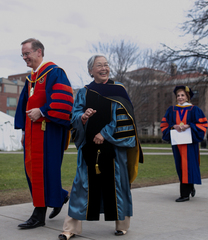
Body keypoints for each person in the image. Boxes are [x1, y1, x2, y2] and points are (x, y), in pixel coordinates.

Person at [59, 55, 143, 240]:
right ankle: (70, 228)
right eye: (99, 65)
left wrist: (104, 133)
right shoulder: (84, 92)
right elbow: (75, 116)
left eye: (106, 65)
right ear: (91, 70)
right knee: (82, 185)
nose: (104, 68)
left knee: (117, 185)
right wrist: (83, 117)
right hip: (89, 149)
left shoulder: (118, 90)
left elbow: (124, 117)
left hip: (113, 149)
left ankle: (122, 225)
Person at [14, 38, 73, 229]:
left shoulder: (55, 73)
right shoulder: (31, 78)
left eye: (27, 53)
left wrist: (44, 111)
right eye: (22, 54)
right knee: (32, 170)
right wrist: (24, 130)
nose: (24, 57)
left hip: (49, 132)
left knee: (46, 170)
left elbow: (64, 101)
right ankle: (60, 195)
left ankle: (39, 215)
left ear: (39, 52)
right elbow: (24, 106)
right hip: (32, 133)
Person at [160, 86, 208, 202]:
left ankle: (184, 194)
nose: (180, 97)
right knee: (180, 166)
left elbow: (203, 125)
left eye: (182, 95)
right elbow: (164, 125)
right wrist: (173, 126)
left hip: (190, 142)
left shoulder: (194, 110)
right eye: (178, 95)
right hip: (177, 142)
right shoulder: (171, 110)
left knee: (189, 166)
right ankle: (190, 187)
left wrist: (189, 125)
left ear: (187, 97)